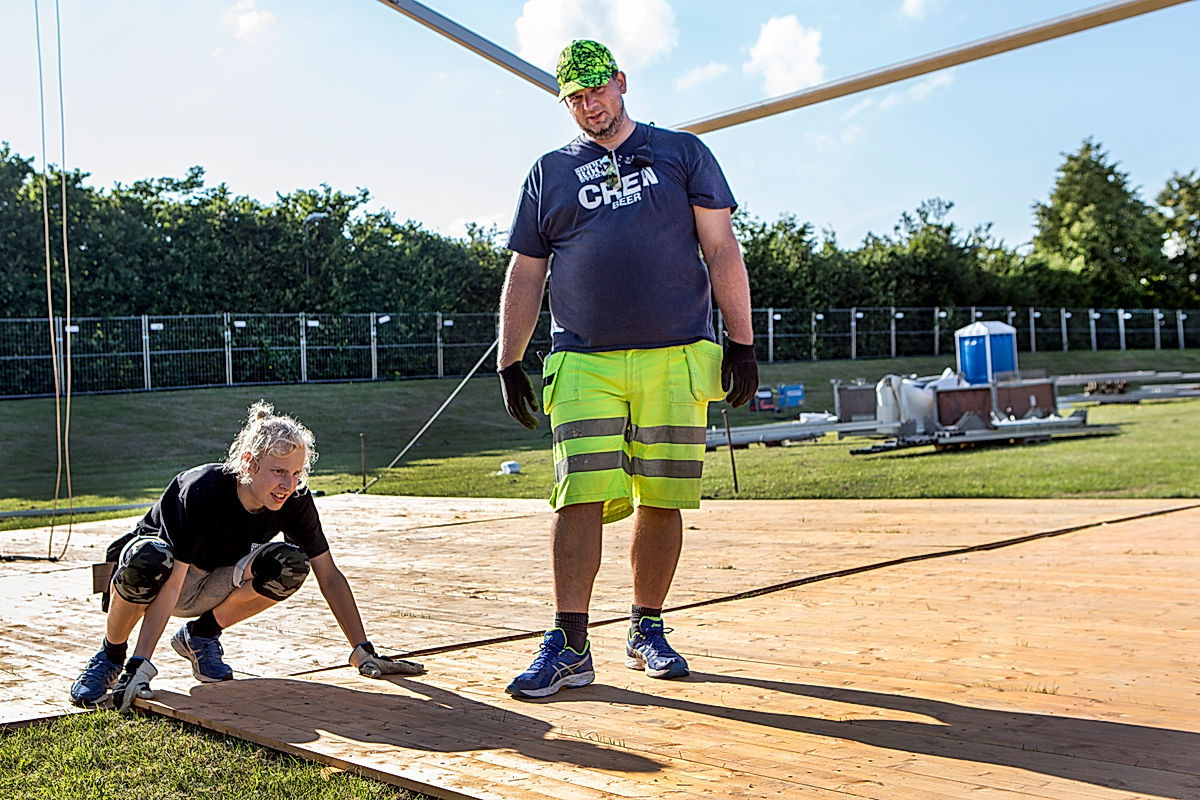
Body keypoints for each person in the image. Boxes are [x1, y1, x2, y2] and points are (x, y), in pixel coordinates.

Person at [496, 39, 758, 699]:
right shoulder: (548, 172)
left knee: (663, 496)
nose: (589, 107)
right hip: (583, 357)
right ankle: (570, 645)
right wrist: (509, 360)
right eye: (576, 98)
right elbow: (526, 271)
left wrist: (743, 341)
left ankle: (647, 626)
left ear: (620, 82)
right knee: (577, 493)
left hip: (677, 352)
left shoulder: (683, 152)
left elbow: (722, 247)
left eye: (597, 91)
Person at [69, 401, 423, 711]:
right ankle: (110, 655)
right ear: (250, 463)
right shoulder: (201, 490)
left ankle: (200, 636)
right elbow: (174, 581)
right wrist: (140, 663)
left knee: (290, 564)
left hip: (215, 581)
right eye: (279, 471)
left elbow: (328, 574)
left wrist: (362, 648)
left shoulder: (295, 500)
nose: (288, 483)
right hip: (160, 577)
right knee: (150, 558)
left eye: (297, 473)